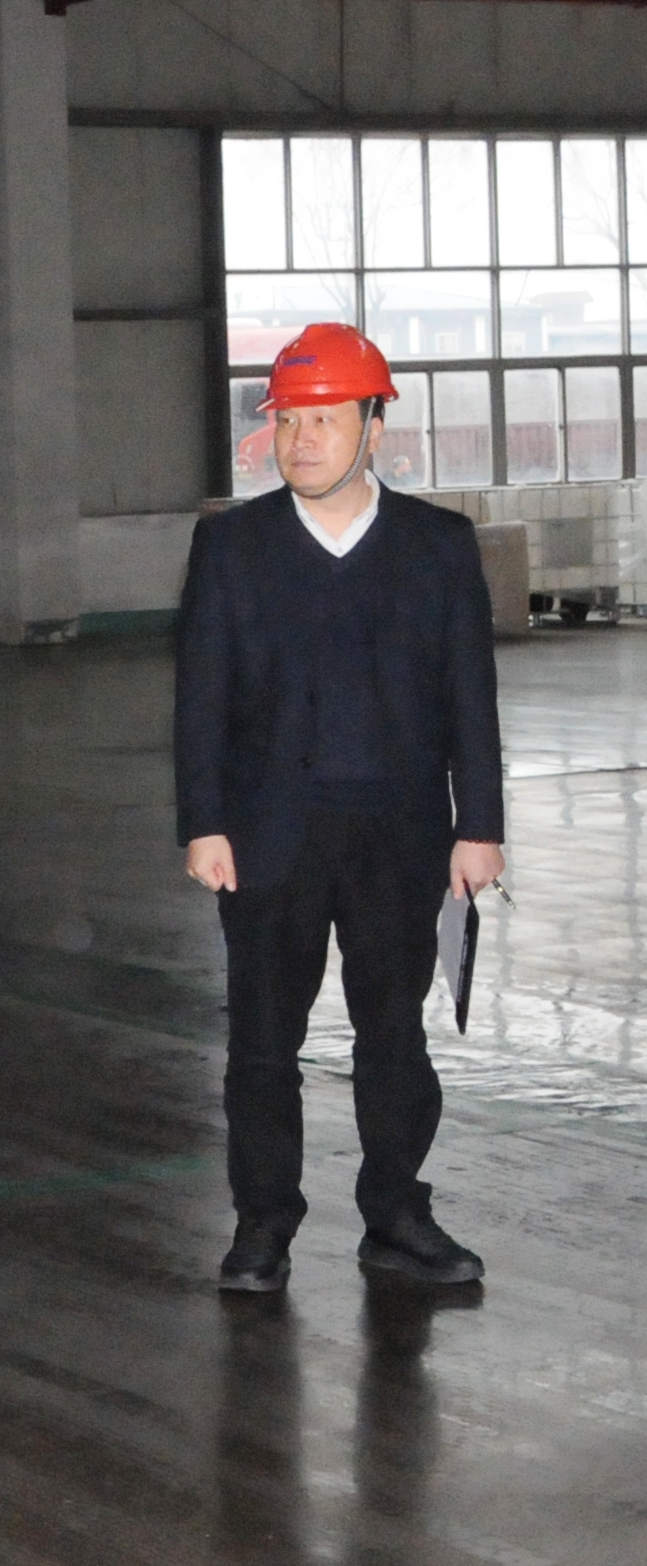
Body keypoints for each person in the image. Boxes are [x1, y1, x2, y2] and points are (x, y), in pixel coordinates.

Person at [175, 321, 504, 1294]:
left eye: (323, 419)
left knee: (391, 1036)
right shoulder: (231, 547)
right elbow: (199, 697)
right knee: (260, 1045)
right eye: (288, 420)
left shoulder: (436, 548)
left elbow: (469, 697)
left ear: (373, 428)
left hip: (399, 838)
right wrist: (201, 822)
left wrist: (478, 827)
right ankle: (262, 1225)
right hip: (268, 837)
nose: (301, 439)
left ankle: (394, 1215)